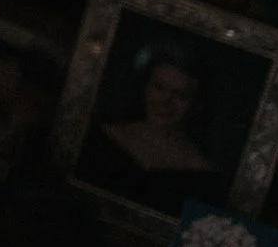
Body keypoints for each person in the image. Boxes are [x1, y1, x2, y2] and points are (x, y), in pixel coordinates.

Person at [80, 44, 226, 214]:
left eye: (180, 95)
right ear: (146, 88)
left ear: (197, 105)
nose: (165, 101)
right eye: (159, 87)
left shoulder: (202, 179)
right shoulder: (102, 139)